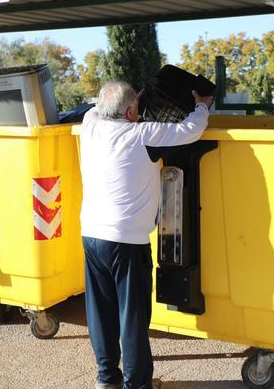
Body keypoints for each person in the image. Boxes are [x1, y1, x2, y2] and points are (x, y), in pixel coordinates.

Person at [80, 80, 213, 389]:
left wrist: (132, 104)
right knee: (133, 317)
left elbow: (99, 110)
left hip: (92, 236)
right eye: (135, 108)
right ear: (130, 112)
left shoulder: (90, 125)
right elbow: (190, 130)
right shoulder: (142, 135)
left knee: (100, 312)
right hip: (127, 242)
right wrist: (202, 105)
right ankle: (137, 384)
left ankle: (106, 378)